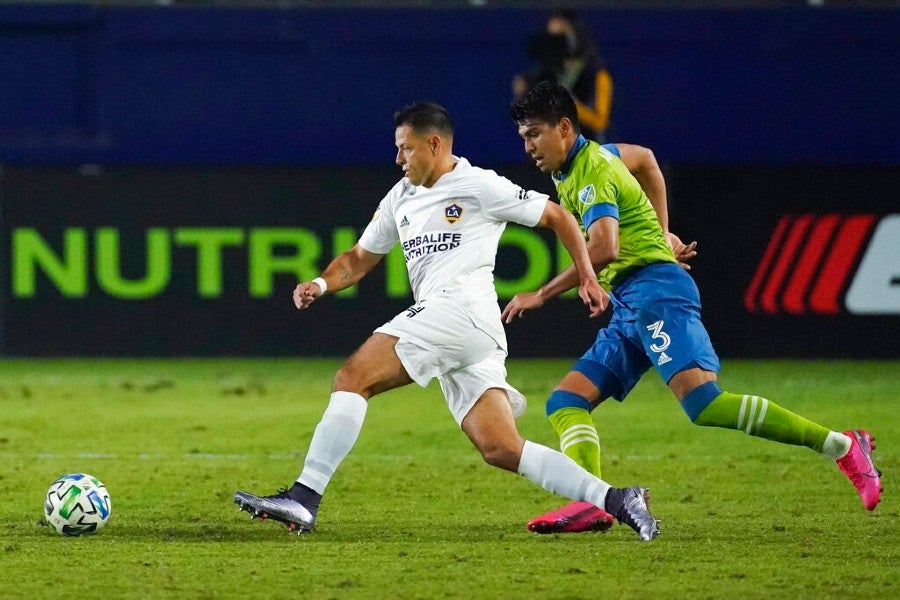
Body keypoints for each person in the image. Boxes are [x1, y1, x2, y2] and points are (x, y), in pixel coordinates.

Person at [233, 102, 660, 541]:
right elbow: (359, 259)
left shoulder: (477, 184)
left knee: (352, 377)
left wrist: (586, 277)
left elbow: (558, 216)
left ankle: (304, 498)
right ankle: (618, 499)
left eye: (405, 148)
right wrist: (320, 285)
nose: (399, 159)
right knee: (501, 448)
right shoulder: (401, 196)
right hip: (472, 331)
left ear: (434, 144)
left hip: (459, 310)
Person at [504, 81, 883, 534]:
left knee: (704, 404)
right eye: (523, 136)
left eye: (533, 134)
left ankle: (843, 446)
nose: (527, 147)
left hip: (656, 292)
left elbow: (603, 246)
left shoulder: (591, 172)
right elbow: (644, 157)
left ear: (564, 127)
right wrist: (663, 231)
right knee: (567, 400)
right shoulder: (593, 157)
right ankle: (591, 501)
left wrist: (541, 293)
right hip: (631, 299)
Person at [512, 9, 613, 143]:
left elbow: (599, 121)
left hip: (588, 150)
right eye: (553, 42)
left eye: (562, 40)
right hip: (555, 153)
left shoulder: (597, 75)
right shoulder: (547, 76)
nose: (557, 47)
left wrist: (568, 104)